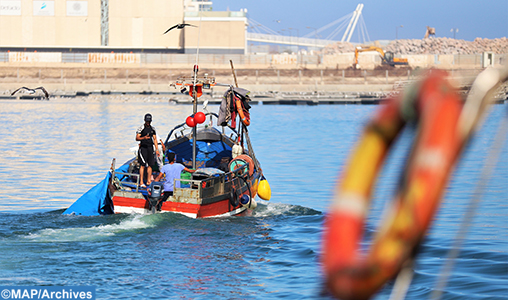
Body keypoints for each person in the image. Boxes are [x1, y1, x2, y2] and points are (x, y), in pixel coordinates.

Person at [136, 113, 159, 187]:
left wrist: (157, 149)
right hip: (143, 148)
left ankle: (149, 181)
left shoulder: (153, 129)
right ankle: (141, 182)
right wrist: (144, 138)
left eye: (149, 122)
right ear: (144, 121)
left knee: (150, 165)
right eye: (147, 121)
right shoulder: (141, 128)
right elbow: (137, 138)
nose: (148, 123)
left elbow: (155, 139)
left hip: (150, 147)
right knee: (142, 165)